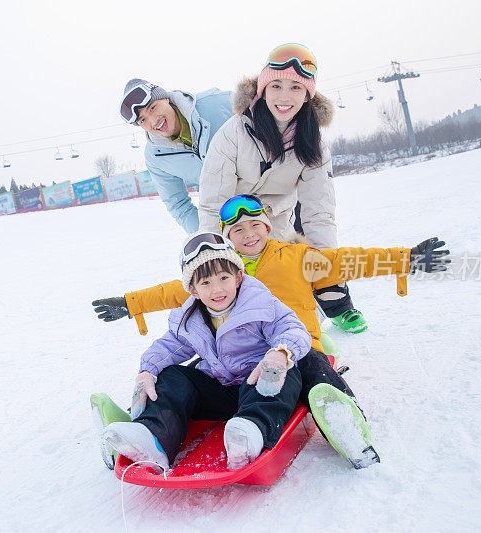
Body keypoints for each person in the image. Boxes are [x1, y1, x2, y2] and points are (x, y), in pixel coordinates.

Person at [91, 194, 450, 469]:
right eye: (238, 231)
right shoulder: (218, 270)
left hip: (298, 351)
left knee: (315, 373)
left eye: (255, 226)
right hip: (239, 367)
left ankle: (346, 423)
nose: (249, 235)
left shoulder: (297, 257)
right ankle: (140, 424)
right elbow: (172, 293)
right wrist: (130, 303)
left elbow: (350, 261)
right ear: (229, 239)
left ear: (268, 227)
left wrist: (407, 258)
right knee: (182, 375)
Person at [101, 232, 311, 471]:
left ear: (239, 277)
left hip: (260, 386)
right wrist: (147, 371)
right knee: (172, 375)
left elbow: (292, 328)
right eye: (206, 283)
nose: (217, 289)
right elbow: (168, 347)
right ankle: (153, 438)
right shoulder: (190, 319)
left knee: (286, 370)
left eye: (224, 278)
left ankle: (251, 432)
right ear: (193, 290)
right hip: (220, 391)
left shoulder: (261, 303)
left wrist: (279, 354)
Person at [195, 43, 366, 334]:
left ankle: (337, 306)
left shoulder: (313, 143)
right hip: (235, 223)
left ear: (308, 96)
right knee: (237, 285)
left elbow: (318, 211)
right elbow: (213, 203)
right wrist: (211, 258)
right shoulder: (232, 134)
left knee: (298, 271)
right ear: (262, 90)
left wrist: (327, 264)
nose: (284, 97)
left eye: (296, 88)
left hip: (277, 223)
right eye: (276, 85)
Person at [119, 79, 232, 233]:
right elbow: (178, 205)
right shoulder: (156, 157)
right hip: (231, 221)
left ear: (165, 98)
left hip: (270, 202)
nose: (153, 121)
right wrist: (208, 237)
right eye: (143, 120)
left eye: (152, 108)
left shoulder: (217, 103)